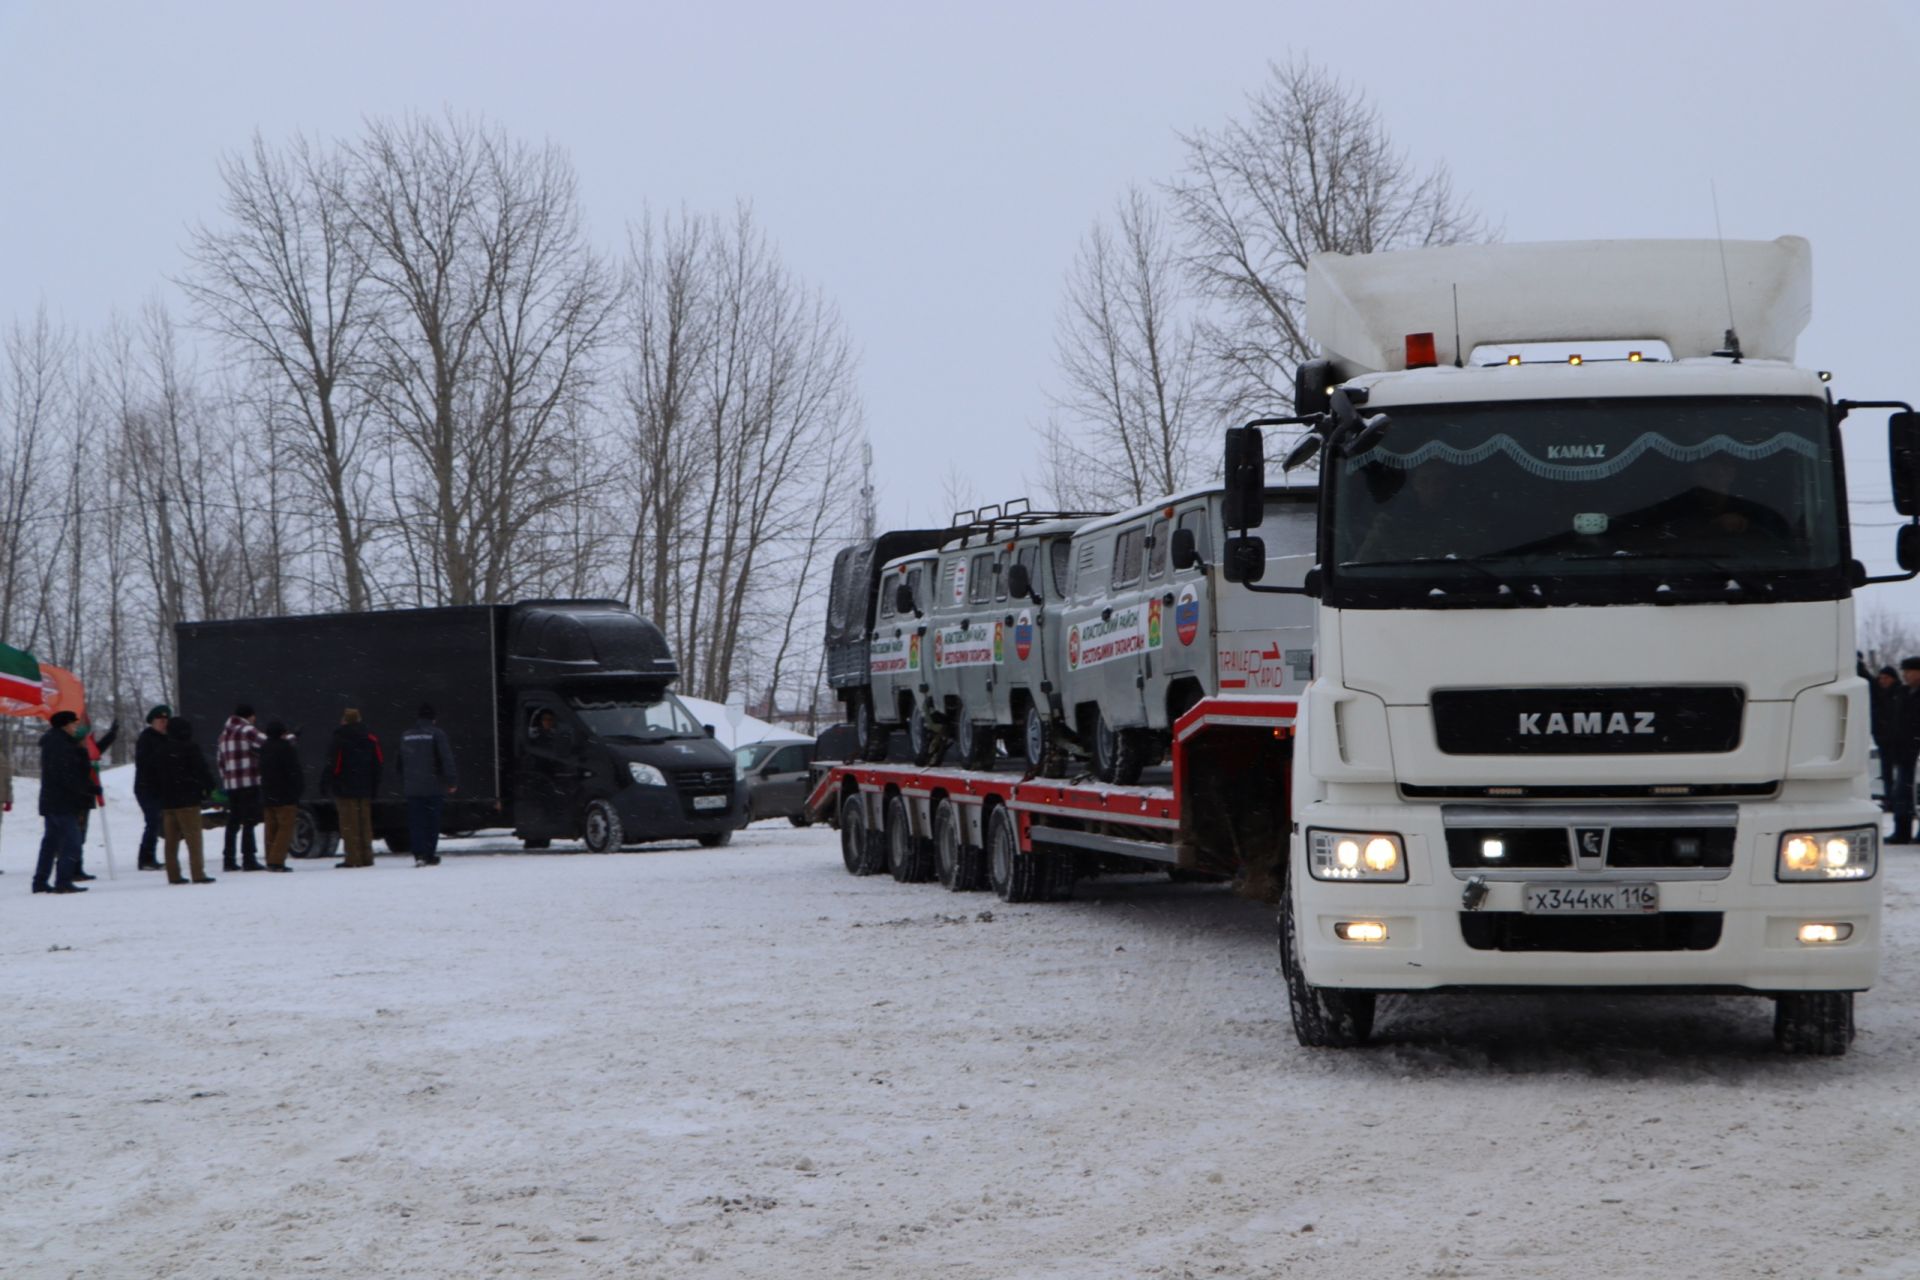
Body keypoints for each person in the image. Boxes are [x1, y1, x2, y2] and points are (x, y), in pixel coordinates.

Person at [32, 710, 94, 895]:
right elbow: (68, 775)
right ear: (65, 725)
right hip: (62, 802)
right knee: (72, 842)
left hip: (52, 801)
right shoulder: (62, 745)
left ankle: (40, 881)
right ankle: (63, 881)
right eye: (74, 724)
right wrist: (86, 790)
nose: (76, 727)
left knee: (50, 843)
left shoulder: (55, 742)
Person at [159, 716, 218, 884]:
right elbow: (202, 770)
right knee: (194, 840)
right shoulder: (190, 748)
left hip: (168, 802)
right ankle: (198, 873)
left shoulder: (162, 749)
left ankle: (173, 874)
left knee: (171, 842)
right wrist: (209, 787)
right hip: (188, 800)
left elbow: (156, 775)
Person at [397, 703, 458, 867]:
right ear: (433, 719)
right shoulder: (437, 734)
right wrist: (451, 781)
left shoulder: (406, 735)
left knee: (416, 822)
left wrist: (407, 780)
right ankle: (429, 854)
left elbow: (400, 763)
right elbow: (446, 760)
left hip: (413, 788)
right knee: (432, 822)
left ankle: (419, 854)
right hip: (433, 787)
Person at [322, 708, 382, 869]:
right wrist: (374, 786)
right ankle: (367, 856)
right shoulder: (371, 738)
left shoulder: (340, 738)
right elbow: (377, 765)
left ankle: (353, 858)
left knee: (349, 825)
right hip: (365, 787)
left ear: (345, 720)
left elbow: (333, 764)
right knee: (365, 824)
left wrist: (327, 783)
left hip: (345, 787)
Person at [217, 703, 268, 872]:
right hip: (249, 783)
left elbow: (220, 762)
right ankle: (249, 859)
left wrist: (227, 779)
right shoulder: (247, 730)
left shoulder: (224, 735)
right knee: (249, 821)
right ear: (249, 716)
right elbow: (267, 744)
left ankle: (229, 860)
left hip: (232, 785)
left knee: (233, 822)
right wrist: (290, 738)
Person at [71, 718, 118, 878]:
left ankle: (77, 867)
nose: (87, 742)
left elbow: (97, 749)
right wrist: (92, 788)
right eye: (84, 739)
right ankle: (72, 868)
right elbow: (79, 780)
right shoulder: (73, 754)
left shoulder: (83, 753)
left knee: (80, 836)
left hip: (84, 799)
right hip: (77, 800)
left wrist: (111, 735)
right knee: (75, 837)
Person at [260, 720, 302, 873]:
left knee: (270, 829)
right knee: (285, 828)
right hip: (285, 795)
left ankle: (270, 858)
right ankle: (277, 861)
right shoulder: (286, 749)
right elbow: (294, 772)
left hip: (268, 794)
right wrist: (297, 790)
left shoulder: (264, 748)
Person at [133, 705, 171, 871]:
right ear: (153, 721)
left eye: (165, 720)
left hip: (161, 787)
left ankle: (151, 856)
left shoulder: (168, 738)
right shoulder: (147, 738)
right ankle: (146, 858)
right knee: (153, 821)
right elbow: (145, 764)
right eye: (160, 720)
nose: (163, 723)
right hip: (147, 787)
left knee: (158, 822)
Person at [1888, 658, 1920, 845]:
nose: (1905, 675)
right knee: (1901, 794)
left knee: (1917, 794)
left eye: (1909, 671)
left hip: (1917, 752)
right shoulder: (1902, 692)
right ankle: (1901, 831)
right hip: (1903, 752)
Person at [1871, 666, 1901, 811]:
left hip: (1896, 741)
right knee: (1887, 774)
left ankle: (1897, 802)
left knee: (1900, 775)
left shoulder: (1899, 693)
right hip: (1883, 740)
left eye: (1886, 678)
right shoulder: (1880, 693)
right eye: (1881, 678)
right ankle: (1890, 800)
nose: (1882, 681)